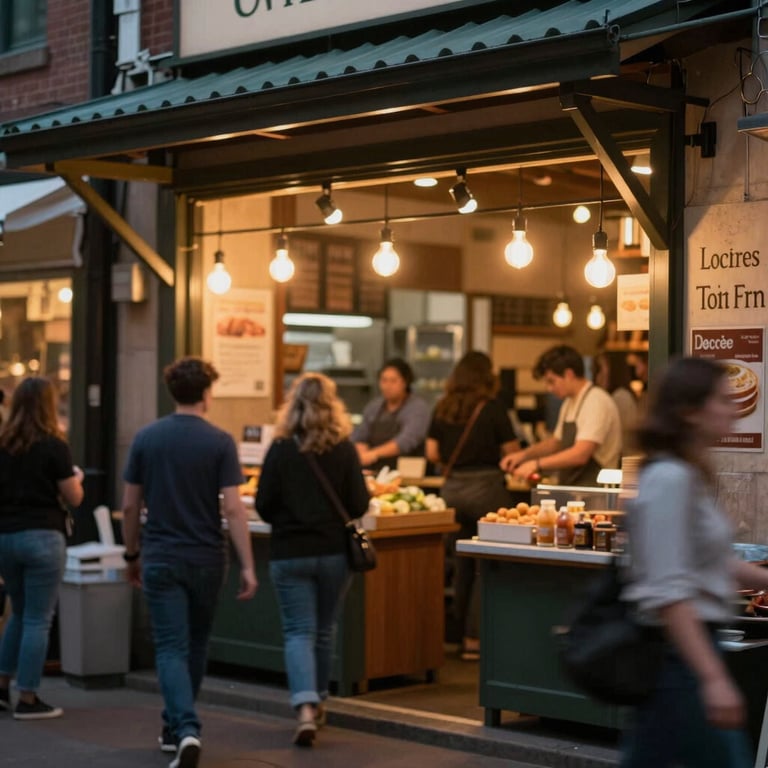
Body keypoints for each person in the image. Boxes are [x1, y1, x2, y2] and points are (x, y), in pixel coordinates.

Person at [621, 357, 768, 768]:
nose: (733, 408)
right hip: (681, 662)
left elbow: (715, 562)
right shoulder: (670, 479)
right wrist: (713, 678)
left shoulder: (685, 474)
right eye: (721, 399)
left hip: (686, 661)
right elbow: (670, 592)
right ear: (689, 411)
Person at [121, 357, 257, 768]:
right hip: (206, 558)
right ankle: (179, 727)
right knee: (196, 644)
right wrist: (248, 565)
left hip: (161, 555)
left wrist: (131, 554)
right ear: (207, 393)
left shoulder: (147, 438)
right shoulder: (219, 442)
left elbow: (129, 506)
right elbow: (233, 510)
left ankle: (182, 728)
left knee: (170, 647)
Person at [256, 372, 369, 747]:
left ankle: (304, 708)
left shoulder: (281, 447)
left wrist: (289, 521)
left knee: (297, 631)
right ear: (332, 405)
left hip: (290, 553)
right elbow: (359, 504)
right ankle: (319, 701)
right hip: (334, 553)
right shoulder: (343, 448)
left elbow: (263, 504)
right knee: (323, 629)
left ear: (293, 404)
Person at [425, 351, 519, 661]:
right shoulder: (493, 408)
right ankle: (474, 639)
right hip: (486, 490)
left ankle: (454, 635)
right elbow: (511, 452)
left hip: (452, 491)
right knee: (486, 566)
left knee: (461, 562)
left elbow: (432, 452)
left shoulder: (443, 406)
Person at [0, 377, 84, 720]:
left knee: (18, 614)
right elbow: (73, 497)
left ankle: (2, 685)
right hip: (43, 537)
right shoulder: (54, 445)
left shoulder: (2, 444)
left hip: (5, 537)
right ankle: (30, 698)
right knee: (38, 618)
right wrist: (75, 477)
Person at [500, 344, 621, 486]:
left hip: (596, 488)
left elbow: (581, 454)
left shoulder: (596, 401)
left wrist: (537, 464)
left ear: (569, 374)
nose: (549, 388)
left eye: (552, 381)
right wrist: (524, 455)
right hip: (575, 486)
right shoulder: (570, 401)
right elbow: (556, 442)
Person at [352, 358, 431, 473]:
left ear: (405, 382)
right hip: (375, 472)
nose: (387, 386)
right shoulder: (374, 407)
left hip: (407, 473)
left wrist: (374, 453)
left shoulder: (418, 408)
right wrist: (359, 447)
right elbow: (360, 434)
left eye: (393, 381)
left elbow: (406, 441)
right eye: (384, 380)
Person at [593, 349, 639, 456]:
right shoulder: (618, 396)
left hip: (623, 460)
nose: (598, 377)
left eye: (600, 369)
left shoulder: (621, 397)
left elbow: (621, 440)